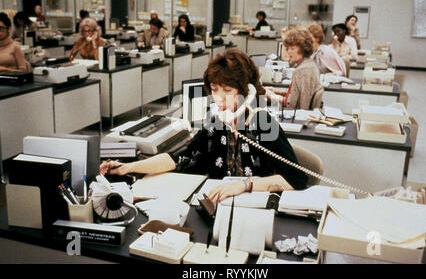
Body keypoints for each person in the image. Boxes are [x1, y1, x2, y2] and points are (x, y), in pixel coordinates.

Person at [99, 49, 308, 203]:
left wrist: (245, 184)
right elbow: (178, 157)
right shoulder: (217, 122)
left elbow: (296, 178)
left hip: (253, 208)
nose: (218, 98)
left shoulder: (262, 123)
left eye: (227, 91)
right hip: (216, 204)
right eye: (215, 90)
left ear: (247, 90)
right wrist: (129, 167)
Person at [266, 27, 321, 110]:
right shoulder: (310, 65)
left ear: (303, 49)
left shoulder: (302, 70)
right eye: (287, 48)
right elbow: (298, 96)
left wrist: (271, 96)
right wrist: (277, 92)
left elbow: (293, 105)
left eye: (292, 48)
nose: (289, 52)